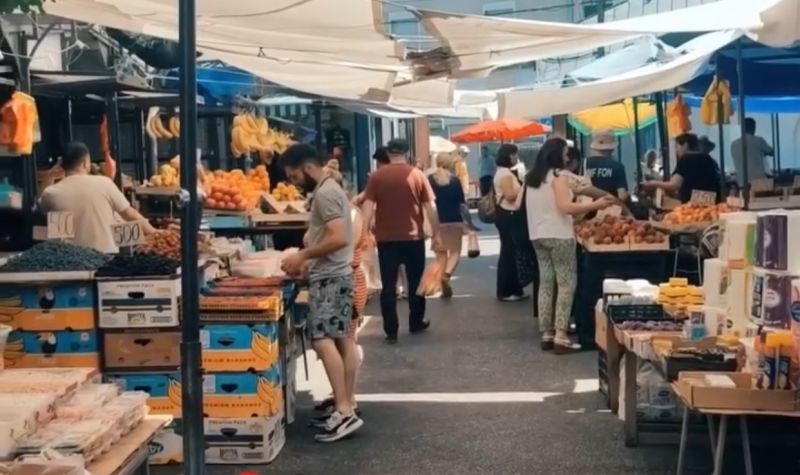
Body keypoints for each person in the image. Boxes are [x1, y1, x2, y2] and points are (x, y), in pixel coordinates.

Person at [279, 144, 362, 442]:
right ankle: (346, 404)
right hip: (335, 275)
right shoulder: (330, 189)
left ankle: (343, 410)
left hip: (331, 278)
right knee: (341, 339)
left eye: (294, 176)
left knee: (322, 340)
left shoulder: (326, 193)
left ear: (308, 167)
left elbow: (338, 237)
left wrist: (303, 256)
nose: (294, 182)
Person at [525, 138, 615, 353]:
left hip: (537, 235)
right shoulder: (559, 176)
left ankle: (546, 333)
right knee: (566, 285)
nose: (567, 157)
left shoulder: (532, 178)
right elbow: (565, 207)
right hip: (559, 235)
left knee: (546, 283)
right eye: (565, 153)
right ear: (557, 155)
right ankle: (561, 335)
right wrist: (598, 204)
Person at [361, 139, 441, 343]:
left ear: (388, 153)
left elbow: (368, 207)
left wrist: (364, 233)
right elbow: (431, 208)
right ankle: (416, 322)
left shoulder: (377, 177)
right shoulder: (417, 174)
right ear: (407, 152)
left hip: (386, 239)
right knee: (415, 282)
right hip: (413, 238)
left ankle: (391, 329)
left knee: (388, 286)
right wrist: (437, 233)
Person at [38, 141, 155, 253]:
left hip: (70, 261)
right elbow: (130, 214)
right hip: (105, 259)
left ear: (61, 165)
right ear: (85, 163)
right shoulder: (105, 183)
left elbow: (41, 206)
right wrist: (155, 233)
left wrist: (50, 175)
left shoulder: (51, 192)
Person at [641, 133, 722, 204]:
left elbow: (675, 184)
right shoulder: (708, 159)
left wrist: (653, 183)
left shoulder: (686, 159)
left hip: (693, 205)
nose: (676, 150)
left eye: (677, 146)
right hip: (713, 202)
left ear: (685, 145)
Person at [428, 152, 467, 299]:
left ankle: (441, 285)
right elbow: (462, 204)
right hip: (454, 221)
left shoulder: (430, 180)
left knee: (441, 255)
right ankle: (446, 275)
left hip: (437, 222)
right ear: (451, 164)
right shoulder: (455, 181)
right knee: (455, 253)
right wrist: (468, 223)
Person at [493, 143, 527, 302]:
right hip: (508, 214)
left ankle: (514, 289)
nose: (516, 157)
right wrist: (523, 185)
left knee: (510, 253)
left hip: (505, 214)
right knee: (509, 253)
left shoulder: (502, 172)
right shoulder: (505, 174)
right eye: (514, 154)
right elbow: (510, 195)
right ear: (509, 156)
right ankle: (506, 290)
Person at [584, 129, 629, 201]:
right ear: (612, 148)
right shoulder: (617, 166)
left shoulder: (584, 163)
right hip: (609, 209)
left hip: (586, 209)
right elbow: (622, 195)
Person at [731, 117, 773, 186]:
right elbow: (772, 152)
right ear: (753, 127)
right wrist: (764, 153)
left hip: (742, 182)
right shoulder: (759, 141)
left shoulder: (734, 144)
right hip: (759, 181)